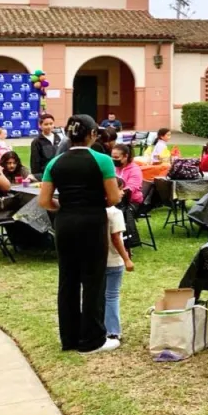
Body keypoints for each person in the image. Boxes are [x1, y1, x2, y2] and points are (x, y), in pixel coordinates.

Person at [39, 115, 123, 354]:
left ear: (68, 134)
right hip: (92, 221)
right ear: (93, 135)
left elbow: (44, 201)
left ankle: (69, 339)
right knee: (94, 280)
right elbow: (114, 197)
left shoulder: (54, 163)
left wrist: (64, 207)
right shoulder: (102, 160)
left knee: (68, 280)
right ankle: (92, 340)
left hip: (65, 223)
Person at [103, 205, 134, 342]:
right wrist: (126, 259)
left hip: (96, 261)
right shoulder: (115, 213)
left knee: (97, 295)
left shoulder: (93, 210)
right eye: (120, 189)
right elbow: (116, 237)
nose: (122, 193)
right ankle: (112, 330)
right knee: (111, 295)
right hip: (113, 261)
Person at [30, 114, 61, 179]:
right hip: (45, 175)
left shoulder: (59, 138)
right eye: (46, 124)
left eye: (51, 124)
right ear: (40, 125)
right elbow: (35, 163)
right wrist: (36, 176)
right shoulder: (36, 142)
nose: (49, 126)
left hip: (58, 173)